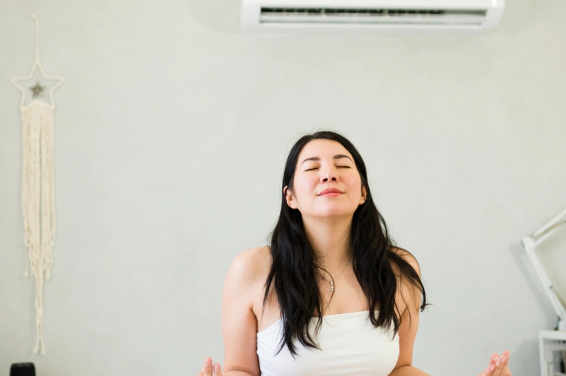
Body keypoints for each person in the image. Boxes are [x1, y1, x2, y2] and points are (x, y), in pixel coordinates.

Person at [197, 131, 512, 376]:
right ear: (290, 197)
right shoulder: (252, 269)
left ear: (363, 191)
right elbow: (241, 369)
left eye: (343, 165)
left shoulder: (398, 269)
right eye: (312, 167)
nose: (329, 174)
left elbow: (400, 369)